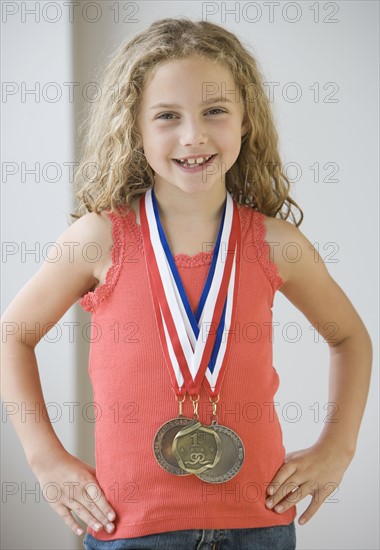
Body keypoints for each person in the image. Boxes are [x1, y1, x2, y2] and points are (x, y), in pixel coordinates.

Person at [1, 17, 372, 550]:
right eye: (167, 116)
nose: (193, 135)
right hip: (130, 528)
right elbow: (12, 334)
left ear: (246, 120)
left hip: (259, 525)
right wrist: (45, 459)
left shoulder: (275, 241)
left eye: (214, 111)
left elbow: (350, 338)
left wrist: (338, 445)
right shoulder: (100, 239)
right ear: (135, 127)